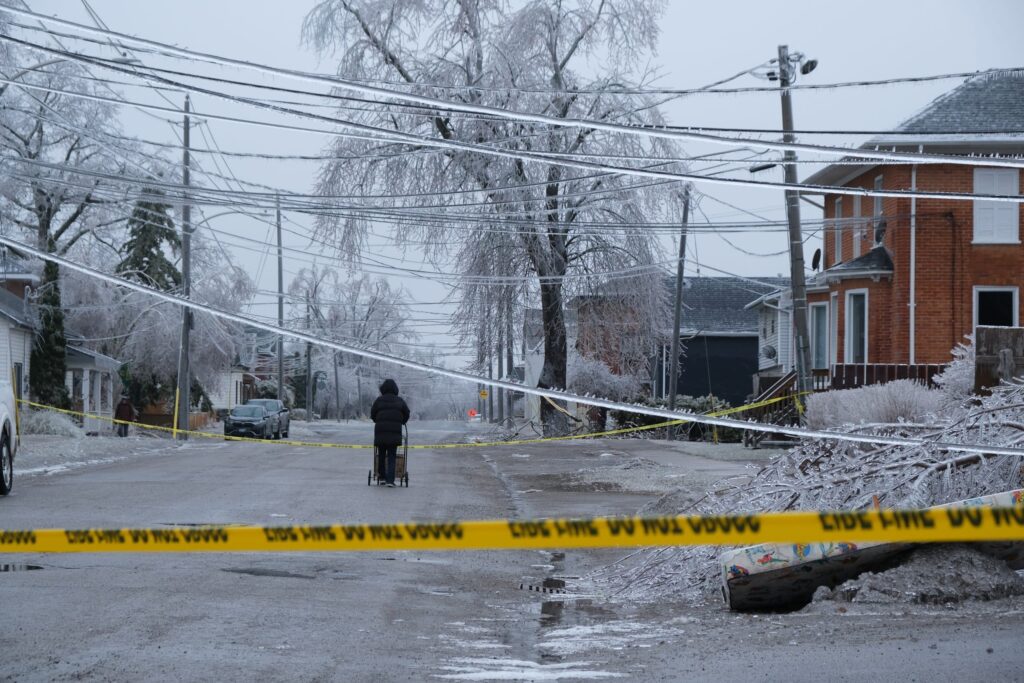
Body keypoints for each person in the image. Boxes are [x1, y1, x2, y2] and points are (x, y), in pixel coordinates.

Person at [370, 378, 410, 487]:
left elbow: (372, 414)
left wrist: (377, 420)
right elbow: (407, 413)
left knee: (381, 454)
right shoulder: (400, 401)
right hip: (394, 433)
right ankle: (390, 480)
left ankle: (382, 477)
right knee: (392, 455)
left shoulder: (379, 400)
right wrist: (402, 421)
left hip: (380, 432)